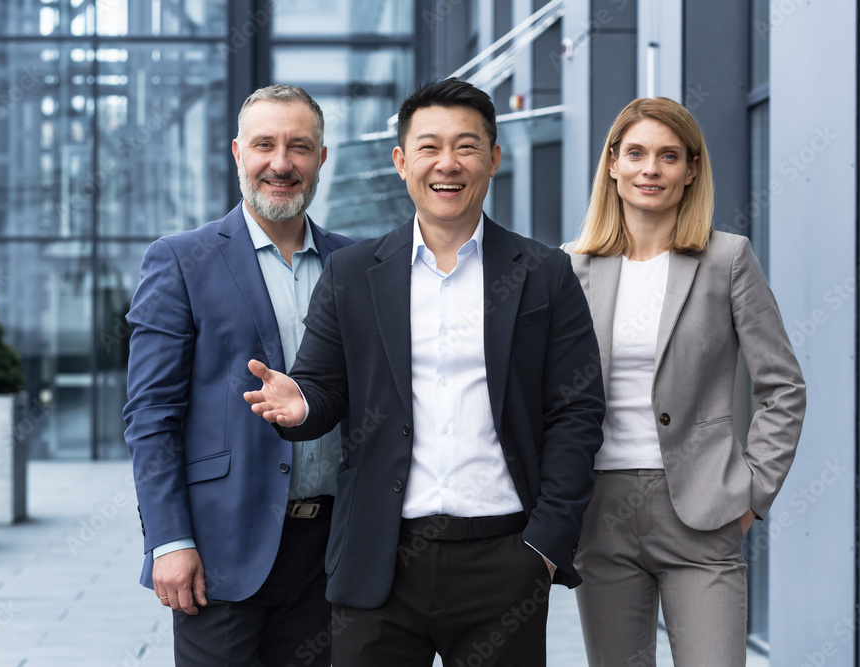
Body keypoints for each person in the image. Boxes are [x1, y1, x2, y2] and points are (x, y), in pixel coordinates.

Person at [243, 78, 606, 666]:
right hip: (378, 559)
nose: (448, 164)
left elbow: (577, 410)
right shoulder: (353, 272)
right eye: (429, 146)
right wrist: (302, 405)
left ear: (493, 157)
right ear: (401, 161)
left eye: (466, 146)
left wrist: (544, 544)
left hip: (505, 557)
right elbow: (324, 387)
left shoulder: (544, 273)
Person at [564, 97, 807, 666]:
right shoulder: (568, 267)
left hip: (703, 509)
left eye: (669, 156)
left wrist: (752, 495)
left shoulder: (728, 259)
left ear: (691, 170)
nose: (651, 169)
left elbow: (782, 386)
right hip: (599, 510)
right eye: (638, 154)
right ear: (613, 165)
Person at [122, 84, 354, 667]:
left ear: (321, 158)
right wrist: (169, 541)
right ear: (237, 153)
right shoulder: (180, 260)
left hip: (333, 551)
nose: (282, 163)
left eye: (300, 147)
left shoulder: (356, 265)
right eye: (265, 145)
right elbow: (151, 417)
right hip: (221, 550)